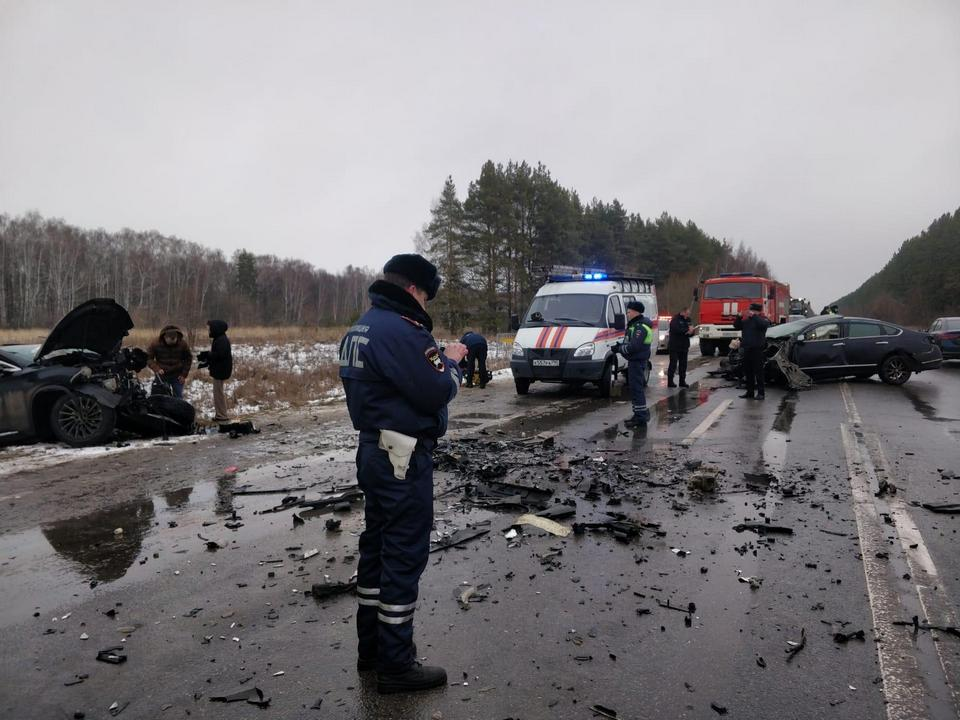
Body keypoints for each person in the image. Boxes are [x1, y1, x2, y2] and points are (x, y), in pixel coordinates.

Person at [339, 253, 468, 695]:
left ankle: (371, 651)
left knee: (377, 545)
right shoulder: (402, 330)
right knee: (404, 552)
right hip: (402, 456)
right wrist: (451, 362)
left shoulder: (363, 326)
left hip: (373, 450)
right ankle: (396, 664)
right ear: (414, 289)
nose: (427, 305)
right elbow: (434, 391)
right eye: (427, 295)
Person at [619, 300, 654, 426]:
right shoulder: (636, 325)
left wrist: (620, 349)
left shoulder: (641, 327)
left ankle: (641, 417)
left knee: (637, 389)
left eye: (628, 312)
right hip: (635, 360)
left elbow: (634, 346)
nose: (627, 314)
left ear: (635, 312)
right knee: (634, 389)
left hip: (637, 361)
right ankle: (638, 414)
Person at [733, 303, 771, 399]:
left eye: (752, 310)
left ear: (757, 311)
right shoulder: (747, 321)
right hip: (747, 349)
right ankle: (750, 392)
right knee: (748, 372)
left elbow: (763, 325)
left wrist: (754, 316)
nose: (749, 312)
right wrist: (738, 317)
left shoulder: (763, 319)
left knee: (758, 372)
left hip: (757, 349)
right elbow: (737, 326)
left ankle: (761, 393)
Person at [197, 320, 232, 422]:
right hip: (219, 370)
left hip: (221, 371)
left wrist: (207, 354)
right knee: (218, 393)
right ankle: (220, 414)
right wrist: (207, 360)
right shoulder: (219, 339)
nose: (208, 330)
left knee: (218, 393)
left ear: (215, 328)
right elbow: (217, 355)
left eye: (209, 328)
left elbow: (219, 355)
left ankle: (222, 415)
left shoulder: (221, 340)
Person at [147, 325, 193, 399]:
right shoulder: (155, 344)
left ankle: (177, 410)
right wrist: (157, 368)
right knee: (161, 398)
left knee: (178, 398)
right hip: (162, 375)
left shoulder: (183, 344)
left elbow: (188, 358)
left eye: (174, 341)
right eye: (170, 342)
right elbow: (149, 358)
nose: (172, 344)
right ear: (165, 337)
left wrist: (184, 374)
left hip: (177, 375)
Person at [667, 307, 695, 388]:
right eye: (687, 313)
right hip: (674, 346)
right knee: (673, 364)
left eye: (688, 313)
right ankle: (670, 381)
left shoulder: (688, 320)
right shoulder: (675, 319)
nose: (688, 315)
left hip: (684, 346)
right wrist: (686, 330)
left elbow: (692, 331)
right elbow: (676, 329)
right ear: (683, 312)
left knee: (683, 365)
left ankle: (682, 381)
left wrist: (691, 332)